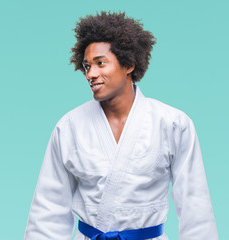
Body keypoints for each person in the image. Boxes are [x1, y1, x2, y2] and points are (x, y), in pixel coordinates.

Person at [24, 11, 218, 240]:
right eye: (87, 66)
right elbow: (48, 211)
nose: (91, 74)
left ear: (129, 65)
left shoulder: (173, 124)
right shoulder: (69, 127)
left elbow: (195, 207)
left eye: (100, 63)